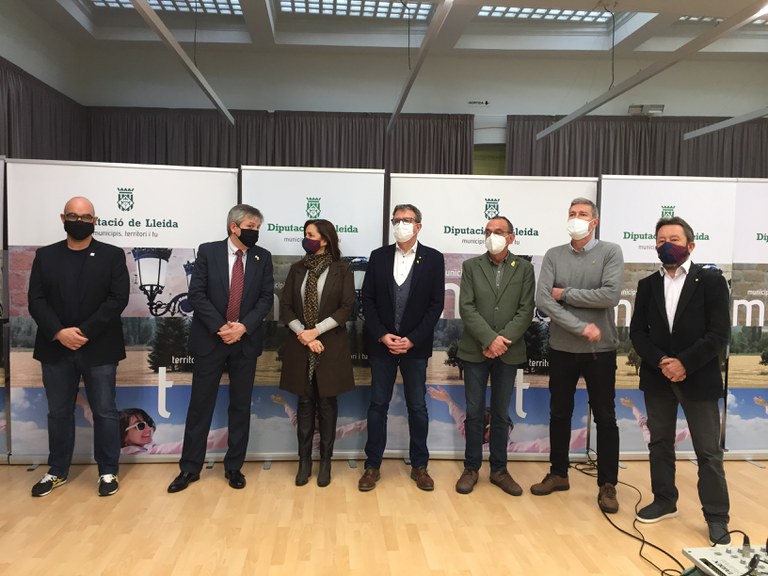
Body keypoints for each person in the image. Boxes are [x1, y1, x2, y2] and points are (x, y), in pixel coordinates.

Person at [629, 216, 732, 545]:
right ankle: (664, 501)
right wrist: (662, 361)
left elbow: (719, 334)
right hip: (658, 377)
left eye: (673, 239)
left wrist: (684, 363)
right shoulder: (647, 285)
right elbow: (637, 333)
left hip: (698, 377)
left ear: (690, 245)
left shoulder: (711, 280)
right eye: (661, 240)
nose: (666, 245)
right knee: (660, 443)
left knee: (708, 451)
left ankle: (716, 516)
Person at [28, 196, 129, 497]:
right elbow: (36, 300)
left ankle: (108, 471)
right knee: (58, 412)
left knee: (105, 412)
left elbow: (117, 299)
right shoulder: (45, 256)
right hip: (56, 348)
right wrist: (59, 332)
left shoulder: (112, 255)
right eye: (73, 216)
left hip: (99, 347)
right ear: (63, 219)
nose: (79, 221)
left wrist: (83, 332)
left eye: (86, 217)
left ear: (95, 221)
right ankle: (57, 471)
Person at [167, 204, 274, 493]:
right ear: (233, 227)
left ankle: (234, 467)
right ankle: (190, 468)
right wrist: (222, 327)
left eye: (257, 227)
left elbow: (266, 298)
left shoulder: (262, 257)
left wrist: (242, 327)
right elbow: (196, 294)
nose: (255, 232)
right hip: (210, 341)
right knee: (200, 406)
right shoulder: (208, 251)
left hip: (245, 342)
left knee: (240, 406)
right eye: (250, 226)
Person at [531, 197, 623, 513]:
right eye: (572, 213)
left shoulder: (610, 252)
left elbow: (610, 295)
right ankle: (559, 474)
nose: (576, 218)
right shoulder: (554, 255)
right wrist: (580, 326)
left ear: (594, 221)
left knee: (605, 417)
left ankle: (608, 484)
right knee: (559, 414)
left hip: (601, 350)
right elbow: (544, 300)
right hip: (562, 348)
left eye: (583, 214)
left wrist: (566, 294)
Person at [358, 204, 445, 492]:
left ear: (418, 225)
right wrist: (382, 335)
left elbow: (436, 305)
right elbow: (367, 300)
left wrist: (413, 339)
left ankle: (420, 466)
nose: (400, 225)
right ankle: (372, 466)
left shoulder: (434, 259)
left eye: (406, 220)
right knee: (377, 405)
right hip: (382, 345)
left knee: (417, 406)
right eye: (396, 220)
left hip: (415, 347)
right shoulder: (379, 256)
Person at [454, 216, 534, 496]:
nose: (492, 236)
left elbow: (525, 310)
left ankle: (499, 470)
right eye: (487, 232)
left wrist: (501, 342)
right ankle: (471, 468)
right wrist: (489, 339)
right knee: (474, 412)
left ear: (511, 237)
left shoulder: (524, 268)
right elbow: (466, 307)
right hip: (475, 350)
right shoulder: (471, 266)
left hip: (508, 352)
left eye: (498, 232)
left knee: (501, 414)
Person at [279, 219, 356, 487]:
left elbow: (346, 308)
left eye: (311, 234)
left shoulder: (342, 269)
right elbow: (285, 306)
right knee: (304, 404)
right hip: (301, 345)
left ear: (324, 239)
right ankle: (304, 462)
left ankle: (325, 462)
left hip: (330, 345)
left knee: (326, 404)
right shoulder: (297, 268)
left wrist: (316, 332)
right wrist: (304, 334)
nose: (306, 238)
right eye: (305, 234)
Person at [428, 385, 588, 453]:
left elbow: (545, 445)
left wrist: (588, 433)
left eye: (505, 427)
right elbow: (461, 418)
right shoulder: (472, 437)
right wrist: (448, 400)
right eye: (497, 427)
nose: (503, 431)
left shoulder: (512, 450)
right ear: (485, 430)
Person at [120, 408, 227, 455]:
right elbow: (181, 447)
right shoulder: (150, 453)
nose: (149, 429)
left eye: (148, 423)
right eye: (140, 425)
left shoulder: (118, 456)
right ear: (123, 434)